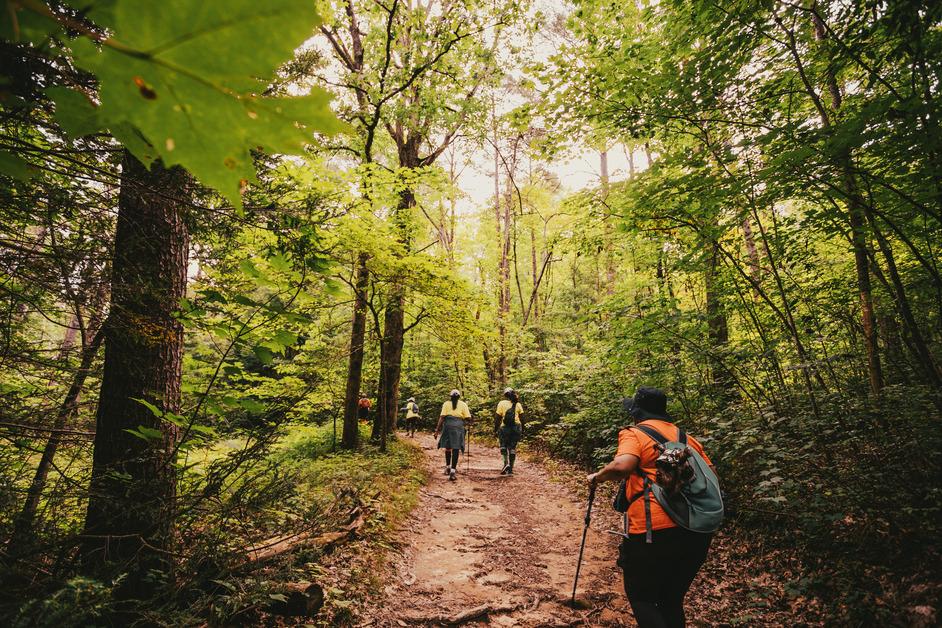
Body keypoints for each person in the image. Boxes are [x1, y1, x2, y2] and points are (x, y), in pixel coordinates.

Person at [587, 387, 717, 628]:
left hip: (653, 531)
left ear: (637, 412)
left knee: (642, 598)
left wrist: (597, 477)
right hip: (696, 530)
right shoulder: (687, 439)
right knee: (671, 600)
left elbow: (622, 466)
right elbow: (710, 475)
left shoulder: (634, 433)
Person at [434, 389, 472, 481]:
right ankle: (453, 472)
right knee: (456, 448)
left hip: (448, 426)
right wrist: (470, 421)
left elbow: (442, 417)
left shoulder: (446, 404)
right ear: (459, 397)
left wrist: (437, 430)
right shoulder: (463, 404)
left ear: (450, 397)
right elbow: (468, 418)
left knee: (448, 447)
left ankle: (448, 467)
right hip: (458, 426)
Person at [494, 387, 524, 475]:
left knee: (503, 445)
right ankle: (510, 469)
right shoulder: (518, 404)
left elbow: (497, 418)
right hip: (516, 428)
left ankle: (505, 463)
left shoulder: (501, 403)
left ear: (505, 395)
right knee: (512, 448)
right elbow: (522, 419)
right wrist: (523, 430)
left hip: (505, 428)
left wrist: (495, 429)